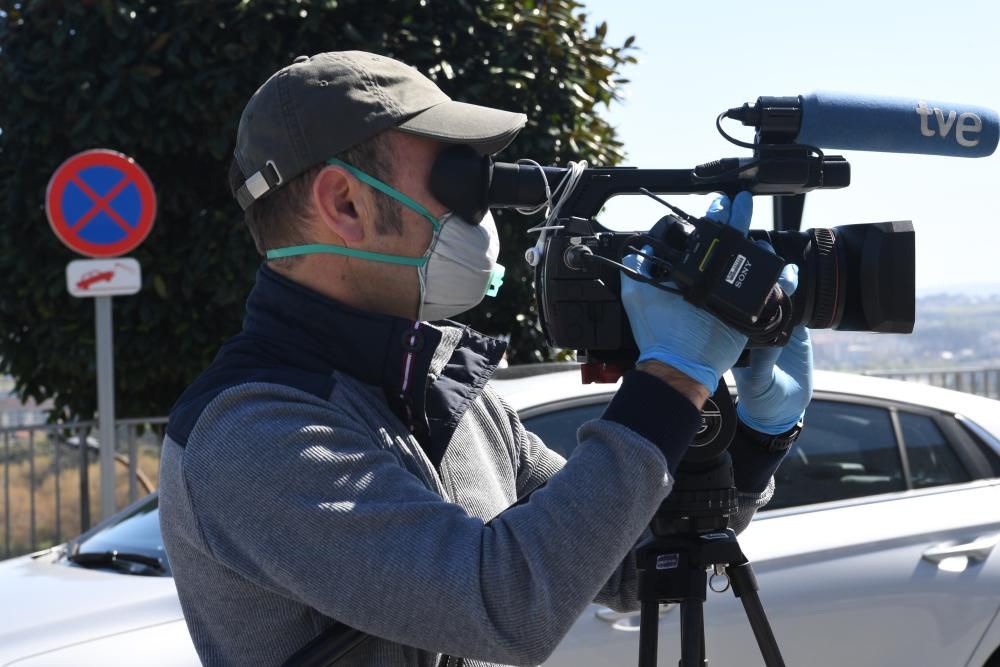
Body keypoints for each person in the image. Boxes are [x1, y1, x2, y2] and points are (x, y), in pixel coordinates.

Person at [159, 51, 812, 667]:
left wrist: (757, 435)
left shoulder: (448, 395)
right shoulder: (249, 430)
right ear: (345, 204)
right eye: (461, 180)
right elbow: (504, 601)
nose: (484, 216)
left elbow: (632, 556)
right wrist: (670, 378)